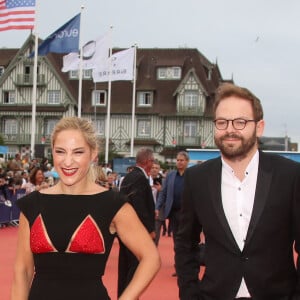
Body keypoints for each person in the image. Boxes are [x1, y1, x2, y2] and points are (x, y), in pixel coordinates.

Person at [10, 117, 160, 300]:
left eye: (78, 152)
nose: (68, 161)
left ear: (93, 153)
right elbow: (23, 270)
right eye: (60, 152)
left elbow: (151, 257)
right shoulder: (32, 204)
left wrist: (127, 298)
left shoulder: (112, 204)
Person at [175, 82, 300, 300]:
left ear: (259, 127)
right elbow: (186, 243)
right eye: (222, 122)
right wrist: (190, 293)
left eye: (240, 122)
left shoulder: (290, 175)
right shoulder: (198, 179)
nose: (230, 130)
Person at [118, 147, 156, 297]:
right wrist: (149, 229)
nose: (153, 165)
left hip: (125, 230)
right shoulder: (140, 178)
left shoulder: (128, 177)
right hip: (136, 231)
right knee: (135, 268)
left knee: (126, 268)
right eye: (152, 161)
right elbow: (140, 206)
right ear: (147, 161)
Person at [155, 151, 189, 276]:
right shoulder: (170, 176)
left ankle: (187, 266)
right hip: (174, 213)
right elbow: (163, 193)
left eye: (182, 160)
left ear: (187, 162)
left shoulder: (191, 175)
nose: (179, 162)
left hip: (187, 214)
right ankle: (179, 267)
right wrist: (157, 207)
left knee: (186, 241)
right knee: (176, 241)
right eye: (178, 160)